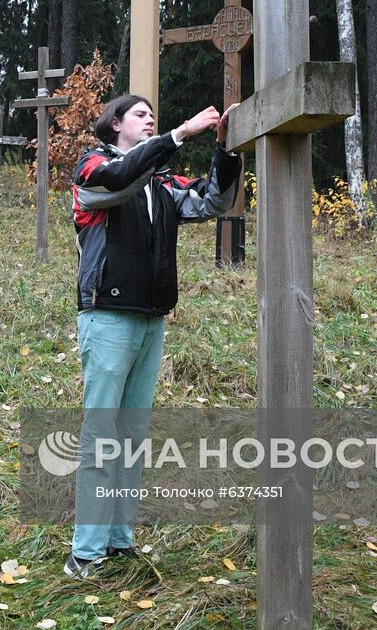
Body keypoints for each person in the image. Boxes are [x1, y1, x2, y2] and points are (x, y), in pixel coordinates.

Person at [63, 95, 242, 578]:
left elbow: (213, 202)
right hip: (108, 316)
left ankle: (119, 542)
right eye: (140, 115)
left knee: (132, 436)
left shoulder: (161, 182)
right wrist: (180, 133)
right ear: (115, 123)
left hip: (151, 318)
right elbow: (120, 179)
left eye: (153, 117)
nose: (150, 120)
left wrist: (224, 150)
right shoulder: (93, 167)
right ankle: (85, 553)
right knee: (102, 435)